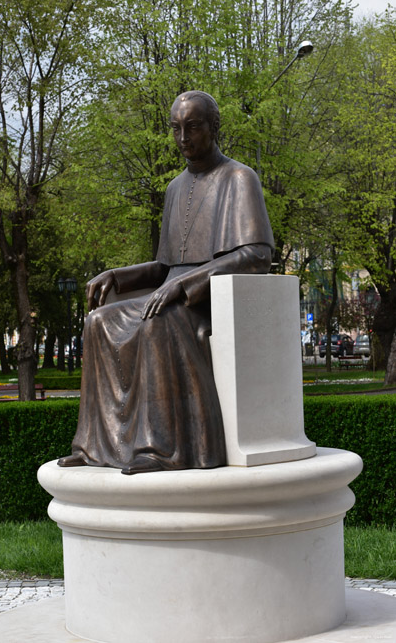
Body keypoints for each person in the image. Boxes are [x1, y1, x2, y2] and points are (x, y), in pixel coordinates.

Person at [58, 91, 274, 474]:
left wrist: (184, 284)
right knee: (97, 322)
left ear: (213, 127)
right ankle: (95, 445)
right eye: (176, 128)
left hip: (206, 299)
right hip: (168, 294)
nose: (183, 138)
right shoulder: (175, 189)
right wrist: (116, 275)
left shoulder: (239, 178)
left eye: (192, 127)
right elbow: (163, 265)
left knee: (156, 321)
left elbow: (257, 253)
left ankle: (162, 449)